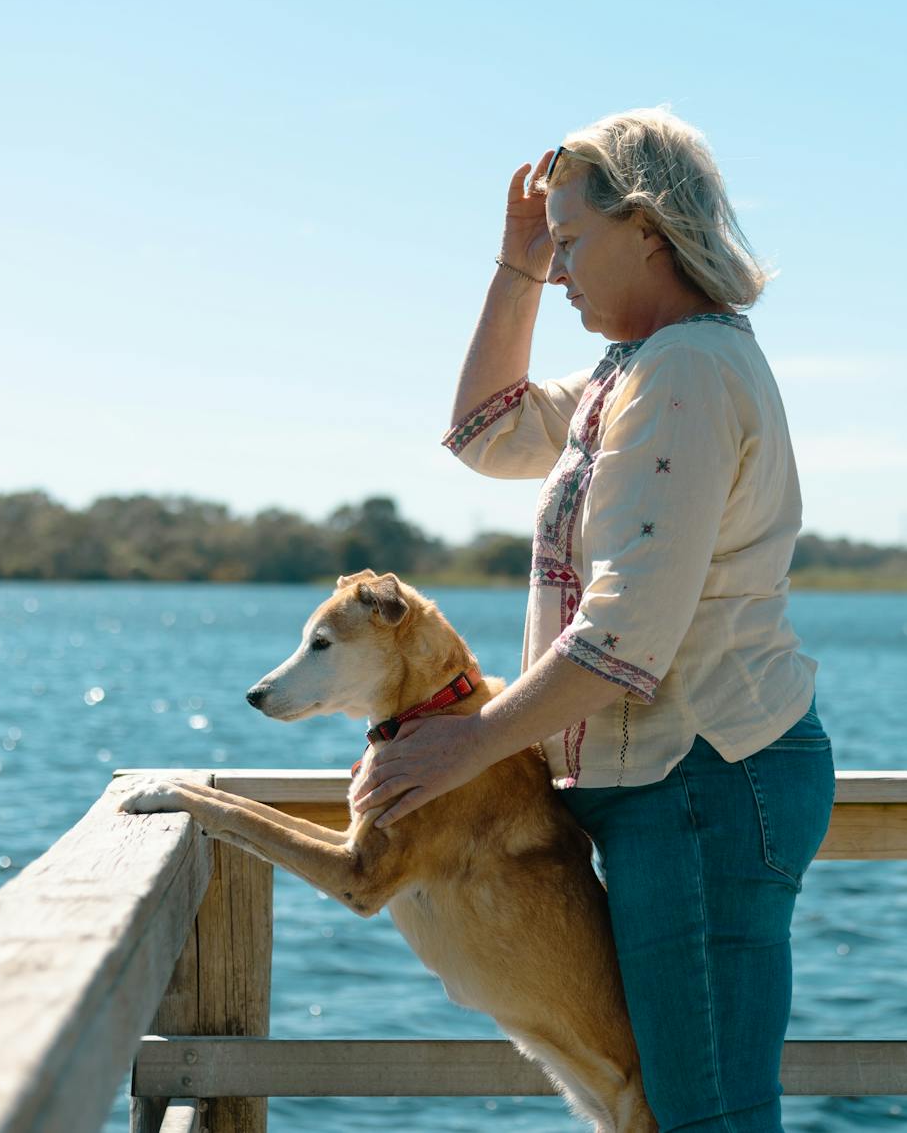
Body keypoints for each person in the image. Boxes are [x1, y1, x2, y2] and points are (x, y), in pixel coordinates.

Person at [350, 105, 835, 1131]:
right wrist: (515, 266)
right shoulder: (635, 368)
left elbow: (625, 636)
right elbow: (484, 433)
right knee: (678, 1106)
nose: (560, 269)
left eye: (572, 243)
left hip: (705, 775)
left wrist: (465, 748)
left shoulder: (687, 371)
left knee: (704, 1114)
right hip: (672, 778)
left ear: (648, 230)